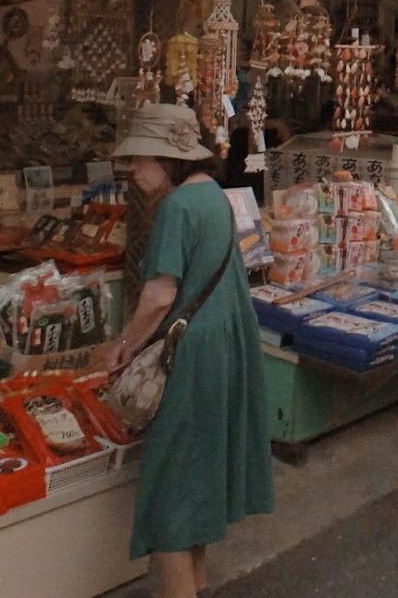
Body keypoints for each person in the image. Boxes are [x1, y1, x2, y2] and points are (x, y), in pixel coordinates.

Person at [108, 104, 274, 598]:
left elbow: (160, 297)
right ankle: (195, 585)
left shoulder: (177, 207)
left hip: (188, 354)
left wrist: (123, 347)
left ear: (169, 159)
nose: (134, 170)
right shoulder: (215, 197)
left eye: (142, 159)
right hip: (223, 346)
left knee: (168, 490)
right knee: (198, 478)